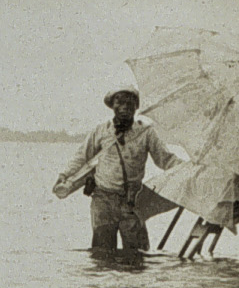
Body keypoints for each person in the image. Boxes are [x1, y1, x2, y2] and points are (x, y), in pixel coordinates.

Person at [54, 86, 180, 253]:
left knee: (137, 255)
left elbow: (166, 159)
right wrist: (64, 175)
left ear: (136, 108)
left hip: (132, 202)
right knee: (102, 254)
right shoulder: (101, 130)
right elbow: (82, 157)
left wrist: (189, 169)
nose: (124, 107)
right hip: (103, 200)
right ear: (112, 106)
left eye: (130, 103)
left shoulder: (146, 133)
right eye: (119, 102)